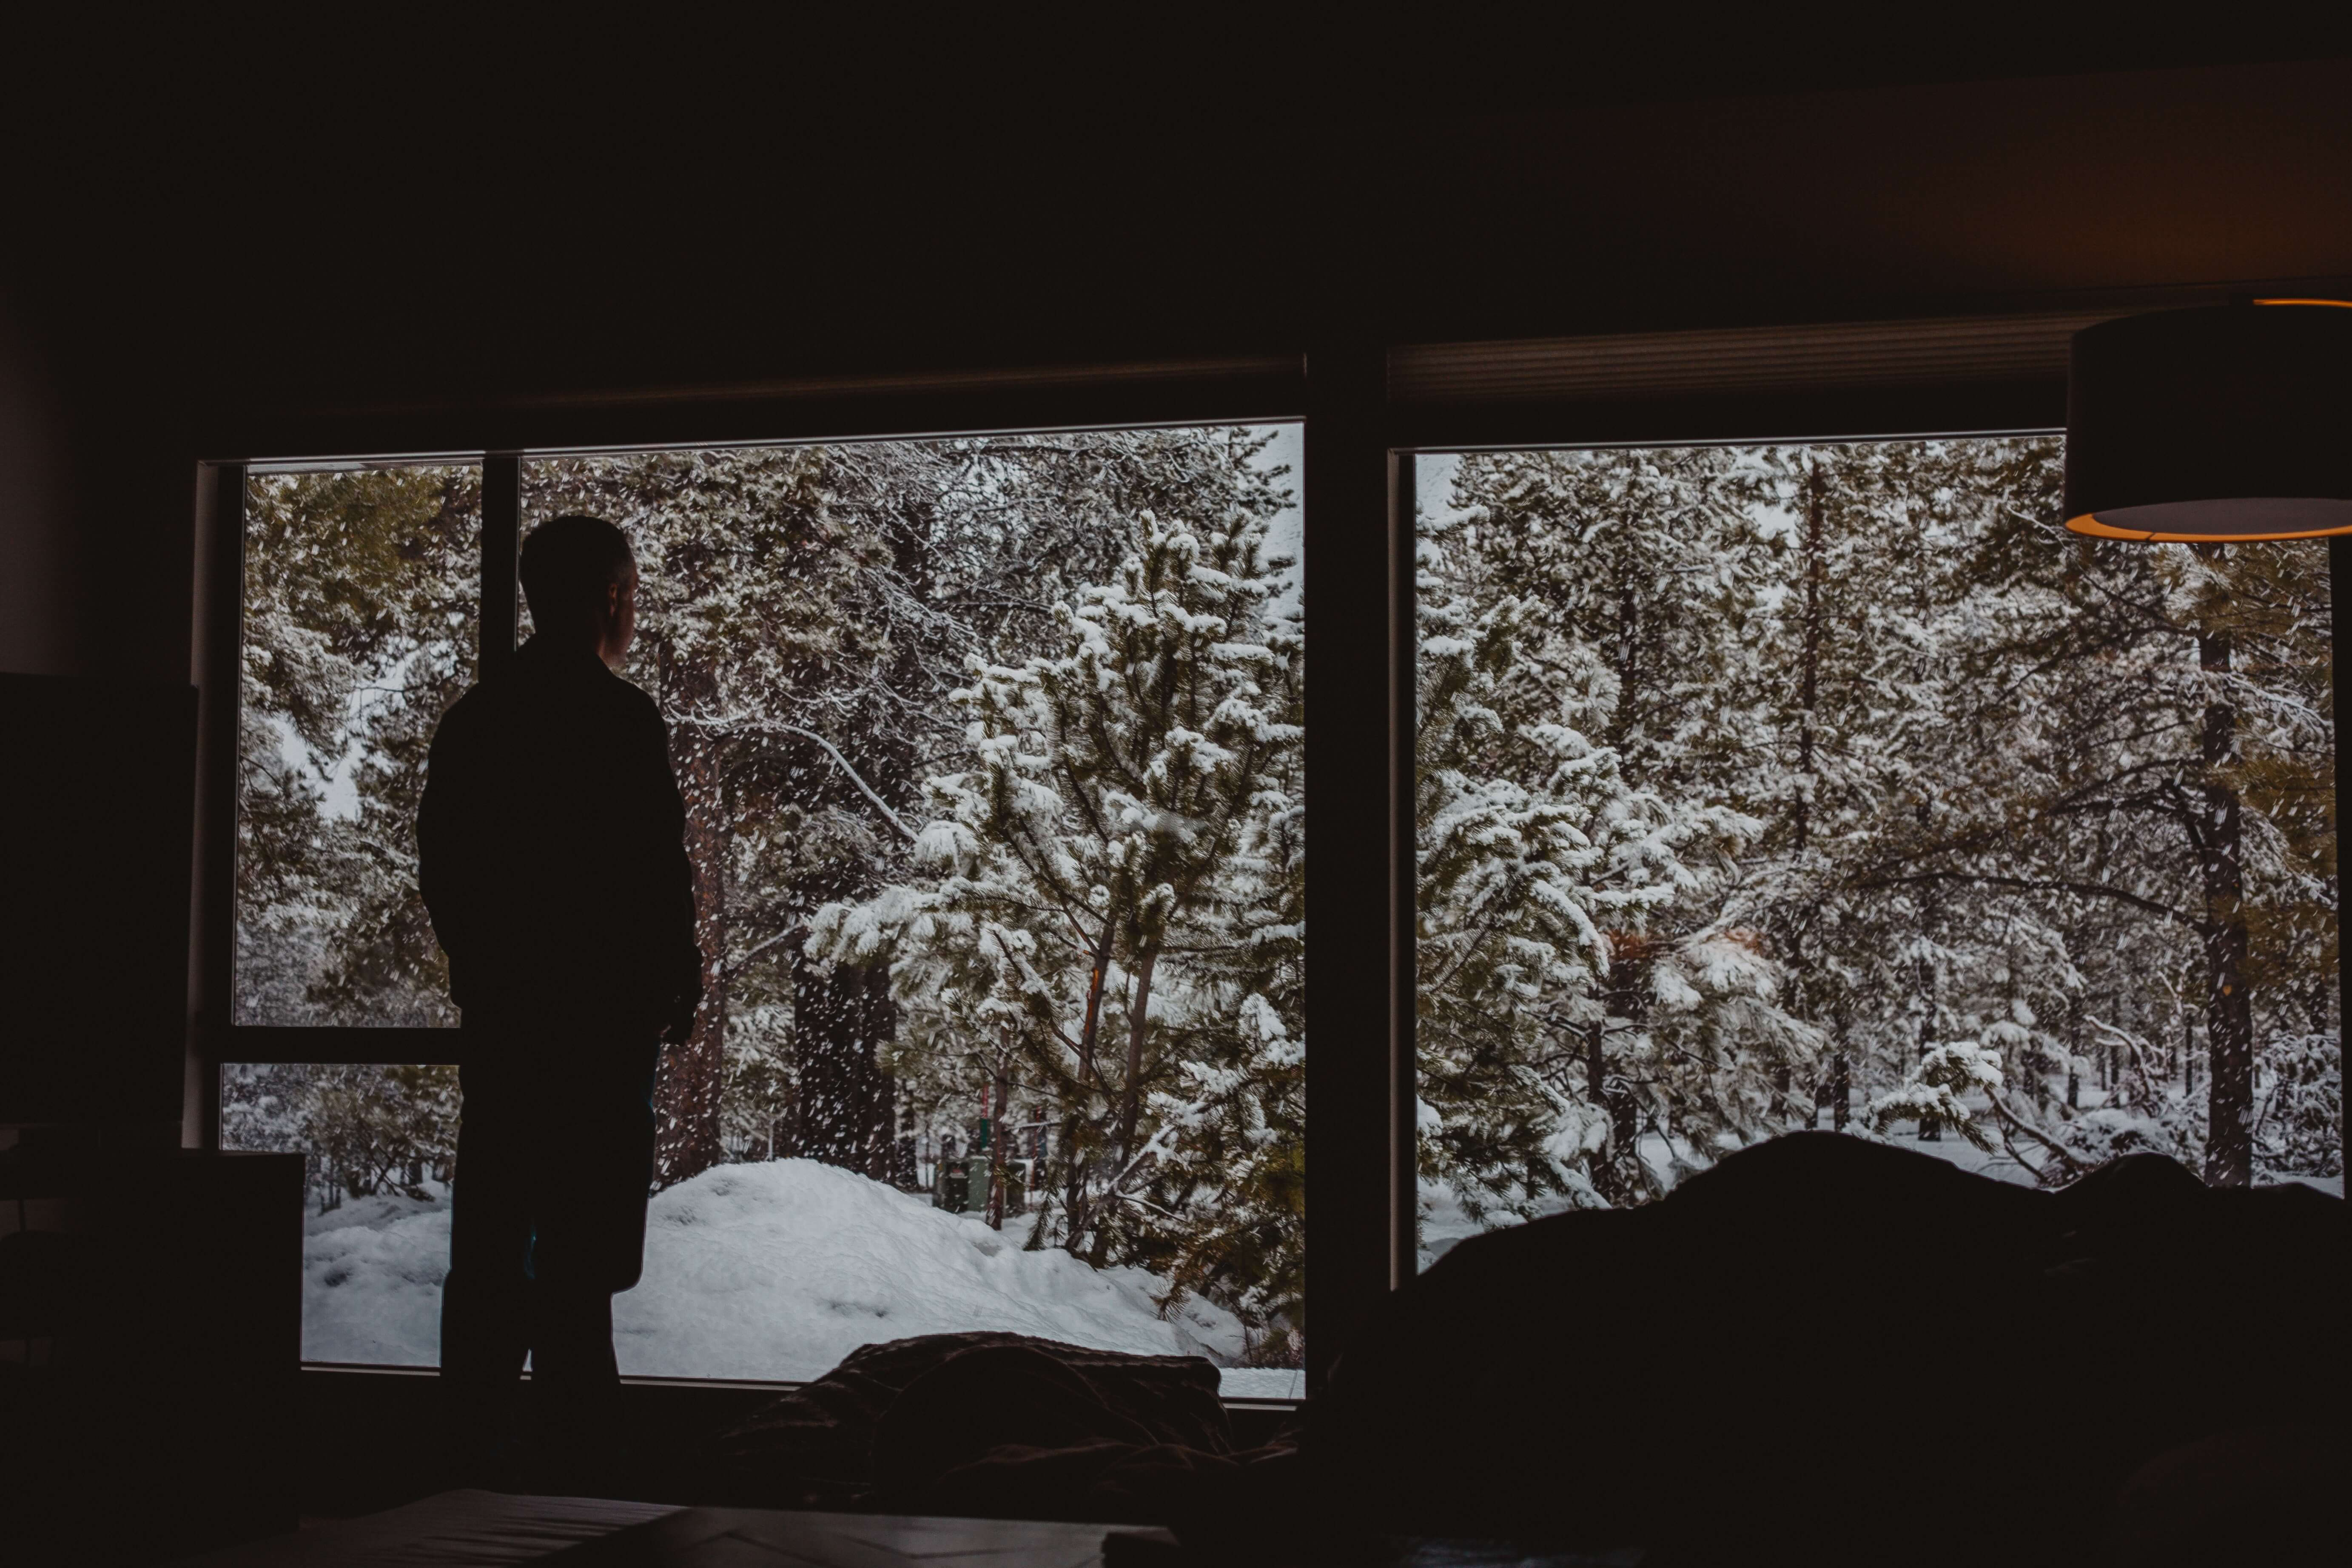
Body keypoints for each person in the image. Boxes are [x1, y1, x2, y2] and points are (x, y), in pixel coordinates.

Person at [418, 514, 701, 1481]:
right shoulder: (622, 723)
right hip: (598, 1038)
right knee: (583, 1264)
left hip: (509, 1030)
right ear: (610, 598)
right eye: (631, 591)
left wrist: (494, 973)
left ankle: (466, 1472)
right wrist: (671, 980)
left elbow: (446, 874)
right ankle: (582, 1478)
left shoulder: (478, 720)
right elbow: (656, 873)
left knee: (494, 1242)